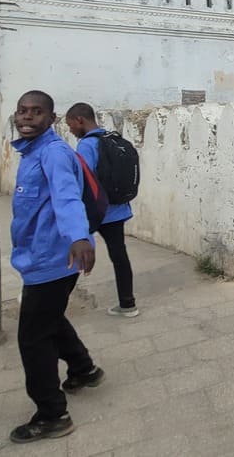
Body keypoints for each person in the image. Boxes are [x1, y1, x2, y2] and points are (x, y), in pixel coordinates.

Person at [8, 90, 103, 443]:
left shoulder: (53, 153)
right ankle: (84, 370)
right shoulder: (32, 152)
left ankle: (51, 414)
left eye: (36, 112)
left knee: (32, 338)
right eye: (22, 111)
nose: (27, 118)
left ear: (52, 118)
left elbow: (66, 196)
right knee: (50, 319)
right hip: (41, 259)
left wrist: (79, 236)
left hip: (53, 260)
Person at [66, 103, 138, 317]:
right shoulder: (111, 138)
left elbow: (83, 182)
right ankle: (128, 304)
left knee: (75, 253)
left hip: (95, 212)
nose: (71, 131)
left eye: (71, 126)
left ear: (80, 120)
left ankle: (55, 304)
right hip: (118, 210)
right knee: (119, 256)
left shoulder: (87, 146)